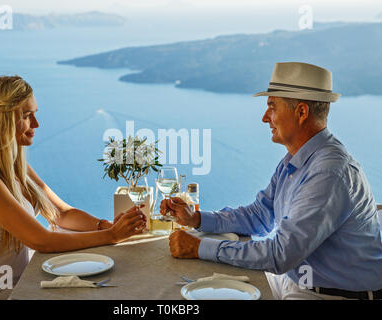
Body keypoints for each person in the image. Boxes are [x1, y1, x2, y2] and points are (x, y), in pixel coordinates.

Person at [161, 62, 382, 300]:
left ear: (301, 113)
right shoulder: (297, 159)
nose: (265, 118)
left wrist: (199, 248)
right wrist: (197, 219)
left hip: (333, 295)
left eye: (272, 107)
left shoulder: (329, 172)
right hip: (298, 278)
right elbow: (259, 215)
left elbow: (280, 255)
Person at [0, 76, 146, 300]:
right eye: (27, 116)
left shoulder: (15, 165)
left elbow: (62, 213)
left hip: (12, 289)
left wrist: (105, 225)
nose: (36, 124)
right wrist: (110, 236)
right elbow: (41, 241)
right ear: (2, 121)